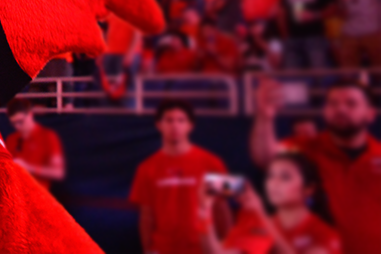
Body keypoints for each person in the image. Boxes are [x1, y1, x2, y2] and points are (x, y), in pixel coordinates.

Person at [251, 80, 380, 254]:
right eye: (333, 103)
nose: (340, 109)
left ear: (370, 114)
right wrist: (264, 117)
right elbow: (266, 159)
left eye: (351, 103)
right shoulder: (305, 148)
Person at [131, 100, 232, 254]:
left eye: (181, 120)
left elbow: (222, 208)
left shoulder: (212, 163)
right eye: (169, 120)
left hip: (203, 248)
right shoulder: (146, 168)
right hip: (163, 248)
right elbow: (146, 215)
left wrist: (227, 245)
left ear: (190, 125)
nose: (175, 126)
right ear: (159, 125)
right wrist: (148, 249)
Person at [199, 153, 341, 254]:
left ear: (308, 189)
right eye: (270, 176)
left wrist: (260, 215)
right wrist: (204, 211)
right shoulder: (256, 224)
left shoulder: (324, 234)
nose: (274, 183)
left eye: (285, 177)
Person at [276, 0, 337, 69]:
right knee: (292, 75)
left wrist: (315, 15)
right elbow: (282, 13)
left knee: (318, 72)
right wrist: (286, 35)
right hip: (293, 38)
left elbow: (334, 8)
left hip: (314, 36)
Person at [3, 98, 64, 189]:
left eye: (20, 121)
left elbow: (58, 173)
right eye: (14, 123)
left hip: (38, 194)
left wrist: (29, 168)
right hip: (16, 192)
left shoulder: (48, 137)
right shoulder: (11, 139)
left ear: (30, 115)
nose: (17, 127)